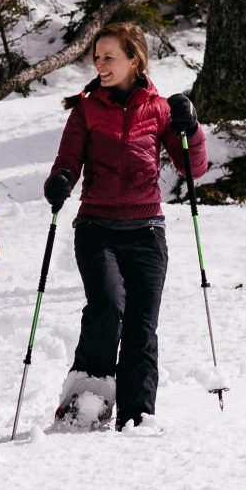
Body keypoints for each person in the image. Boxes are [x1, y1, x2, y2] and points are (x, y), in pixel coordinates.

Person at [42, 22, 208, 430]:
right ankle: (87, 398)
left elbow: (195, 168)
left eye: (108, 57)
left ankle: (138, 417)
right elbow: (67, 162)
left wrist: (192, 128)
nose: (99, 64)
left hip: (147, 232)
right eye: (96, 57)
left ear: (134, 60)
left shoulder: (160, 109)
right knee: (107, 305)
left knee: (141, 324)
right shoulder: (86, 109)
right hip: (97, 228)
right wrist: (60, 180)